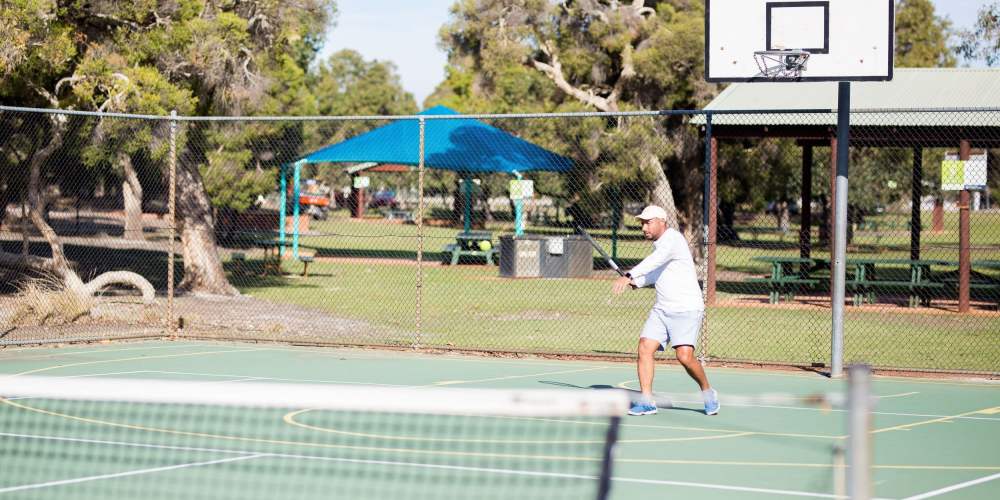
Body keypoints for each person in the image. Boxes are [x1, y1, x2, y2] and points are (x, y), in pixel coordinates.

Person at [612, 205, 719, 416]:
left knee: (685, 357)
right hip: (662, 309)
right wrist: (638, 282)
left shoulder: (673, 239)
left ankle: (708, 392)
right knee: (644, 347)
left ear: (662, 221)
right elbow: (656, 272)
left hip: (686, 308)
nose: (644, 227)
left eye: (648, 222)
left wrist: (629, 275)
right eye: (642, 223)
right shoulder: (660, 246)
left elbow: (655, 261)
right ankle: (646, 401)